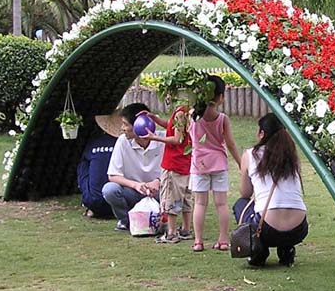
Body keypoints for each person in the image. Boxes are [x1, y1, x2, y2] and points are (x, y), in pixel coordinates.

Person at [234, 113, 308, 267]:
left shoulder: (250, 155)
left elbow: (245, 193)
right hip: (299, 229)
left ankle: (258, 249)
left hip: (267, 229)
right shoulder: (292, 158)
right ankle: (286, 249)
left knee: (240, 204)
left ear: (262, 133)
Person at [188, 75, 242, 252]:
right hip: (219, 163)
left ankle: (198, 241)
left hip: (199, 165)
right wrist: (241, 163)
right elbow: (231, 144)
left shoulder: (192, 116)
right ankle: (223, 239)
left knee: (200, 203)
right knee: (221, 203)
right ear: (220, 97)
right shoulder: (222, 118)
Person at [138, 98, 194, 243]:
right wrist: (155, 119)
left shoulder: (180, 113)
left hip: (174, 163)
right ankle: (186, 230)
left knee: (171, 198)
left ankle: (171, 233)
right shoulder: (188, 110)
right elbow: (174, 128)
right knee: (186, 197)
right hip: (186, 163)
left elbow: (177, 139)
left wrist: (154, 137)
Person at [102, 103, 164, 231]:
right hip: (133, 192)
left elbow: (175, 171)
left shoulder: (163, 140)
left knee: (176, 189)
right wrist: (136, 185)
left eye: (125, 124)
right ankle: (127, 221)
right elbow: (113, 175)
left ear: (140, 125)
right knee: (109, 190)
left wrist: (158, 182)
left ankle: (163, 221)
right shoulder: (122, 141)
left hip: (158, 193)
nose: (122, 128)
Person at [76, 113, 119, 218]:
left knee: (84, 166)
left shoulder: (94, 143)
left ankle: (88, 202)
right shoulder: (124, 144)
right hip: (119, 202)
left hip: (93, 202)